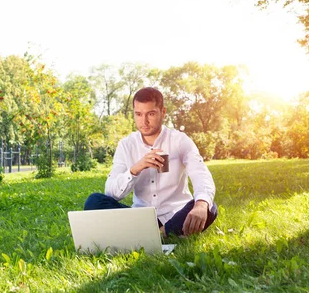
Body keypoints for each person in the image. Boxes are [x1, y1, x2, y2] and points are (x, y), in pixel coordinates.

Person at [84, 87, 217, 237]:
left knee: (208, 206)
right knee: (94, 201)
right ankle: (161, 234)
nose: (144, 121)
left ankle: (158, 233)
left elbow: (200, 174)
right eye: (138, 114)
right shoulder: (126, 145)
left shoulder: (179, 140)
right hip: (140, 217)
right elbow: (111, 193)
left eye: (151, 114)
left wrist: (200, 205)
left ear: (163, 112)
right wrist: (135, 169)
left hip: (175, 214)